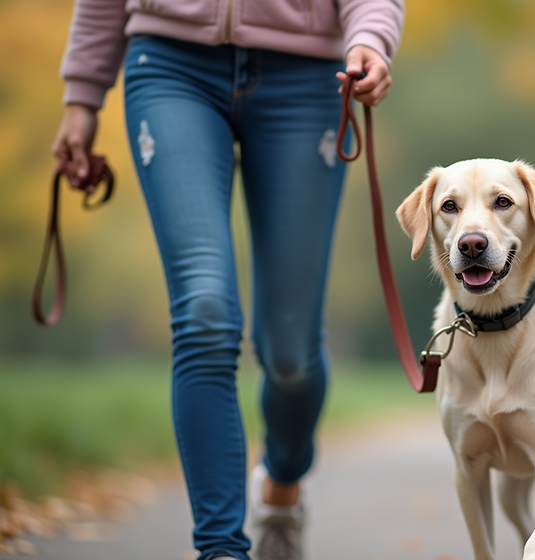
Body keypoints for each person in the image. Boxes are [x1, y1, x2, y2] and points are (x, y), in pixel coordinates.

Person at [52, 1, 403, 559]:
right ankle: (220, 549)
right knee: (204, 311)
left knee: (289, 352)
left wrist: (371, 38)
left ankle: (283, 484)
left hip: (307, 74)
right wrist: (81, 94)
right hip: (170, 66)